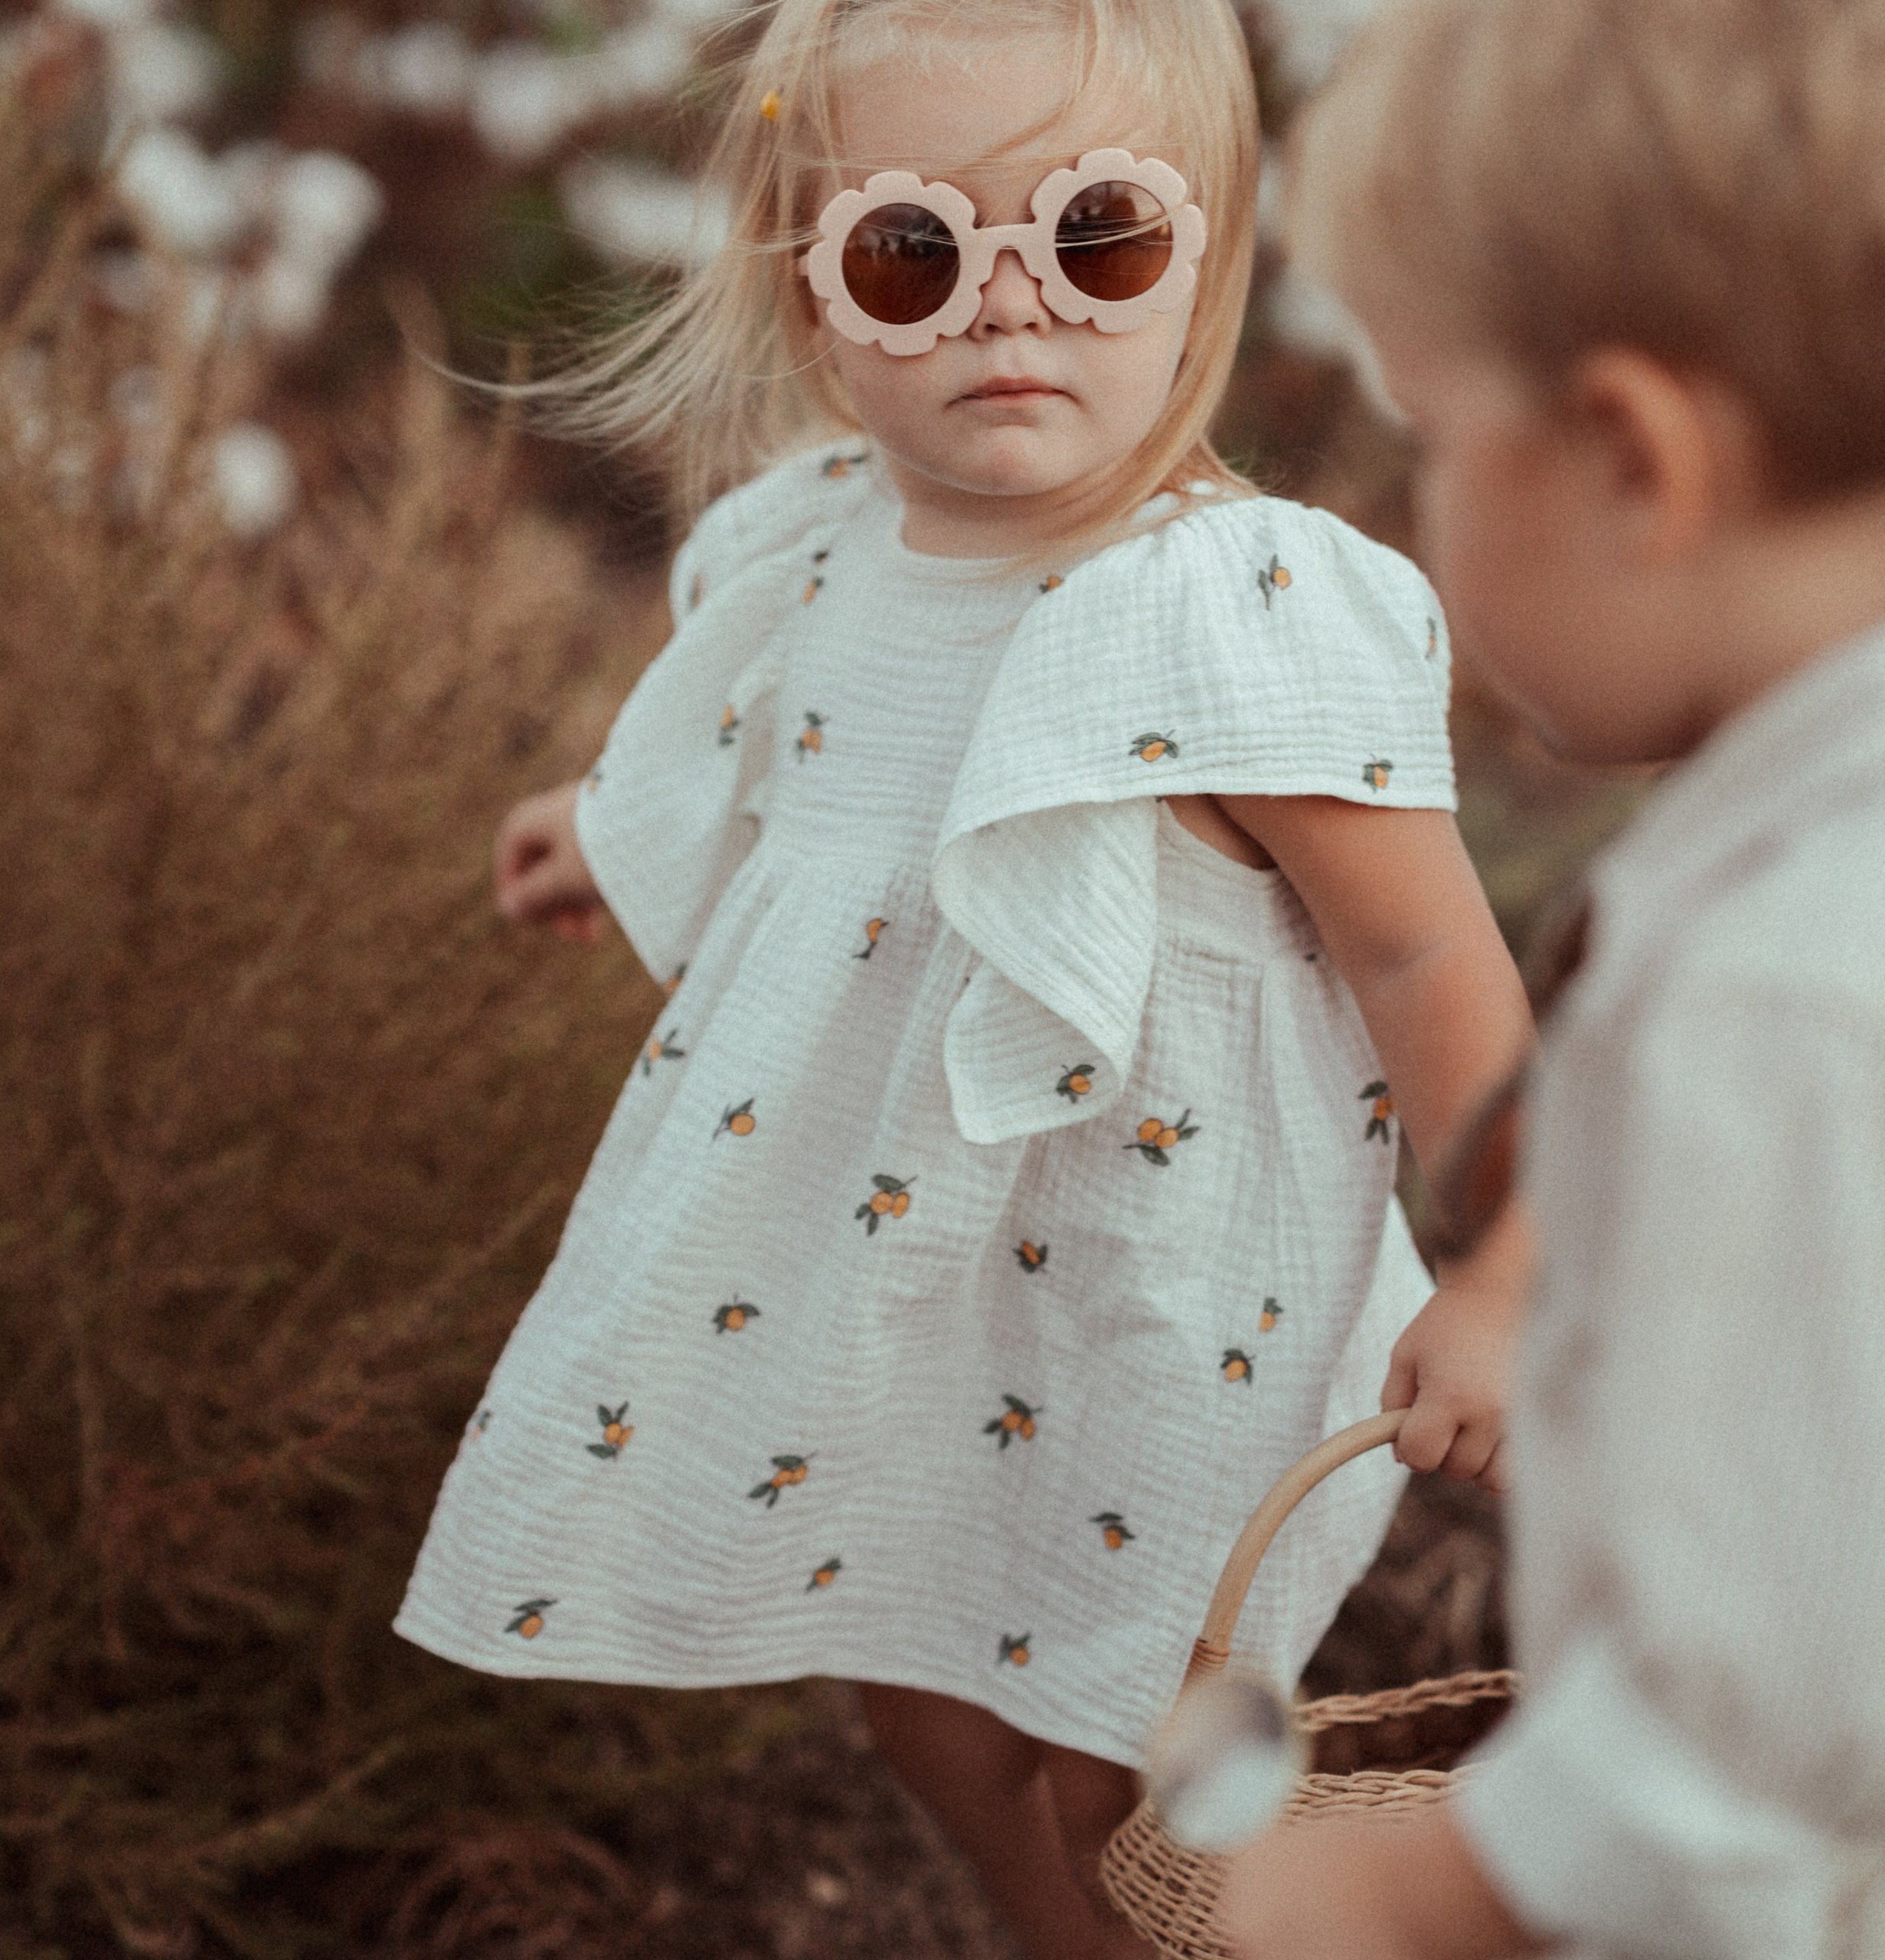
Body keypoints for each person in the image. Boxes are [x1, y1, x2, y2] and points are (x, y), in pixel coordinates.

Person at [395, 3, 1531, 1953]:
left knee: (1128, 1746)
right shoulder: (828, 545)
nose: (1009, 308)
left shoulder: (1222, 612)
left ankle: (1188, 1931)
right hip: (898, 1279)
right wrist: (604, 821)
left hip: (1167, 1307)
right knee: (913, 1680)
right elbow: (776, 744)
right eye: (915, 252)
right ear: (814, 301)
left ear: (1206, 268)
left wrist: (1514, 1272)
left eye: (1094, 238)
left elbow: (1426, 946)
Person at [1214, 2, 1885, 1956]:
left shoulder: (1782, 986)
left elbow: (1780, 1709)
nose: (1409, 502)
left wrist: (1425, 1879)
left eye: (1424, 437)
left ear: (1625, 458)